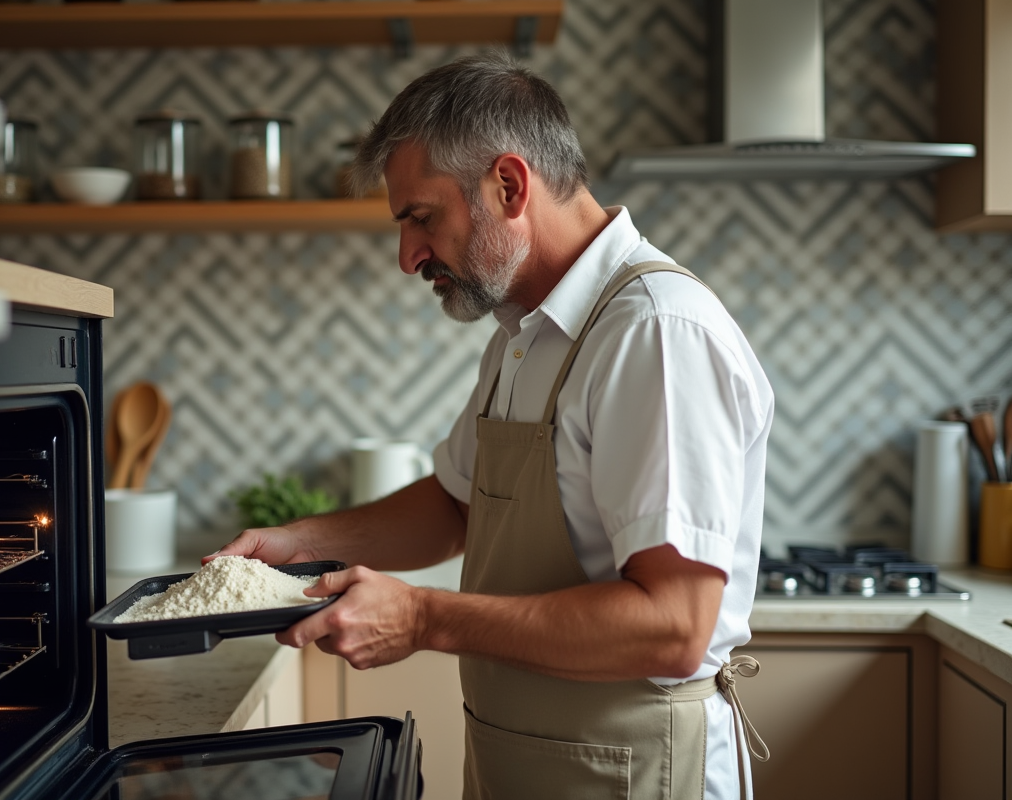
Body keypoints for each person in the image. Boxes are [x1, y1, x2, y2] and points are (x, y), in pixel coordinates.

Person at [210, 52, 774, 800]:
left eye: (421, 217)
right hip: (532, 762)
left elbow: (672, 626)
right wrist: (300, 545)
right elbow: (456, 506)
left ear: (508, 184)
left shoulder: (654, 332)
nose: (408, 255)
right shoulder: (524, 335)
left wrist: (421, 618)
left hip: (636, 770)